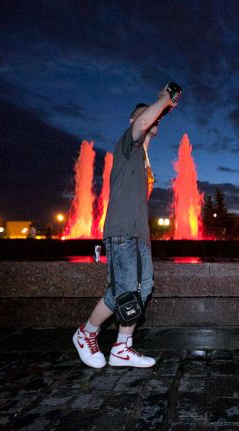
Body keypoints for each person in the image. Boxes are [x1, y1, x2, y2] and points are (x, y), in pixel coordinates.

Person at [73, 85, 176, 369]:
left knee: (141, 289)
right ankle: (86, 334)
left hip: (139, 234)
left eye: (154, 118)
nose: (151, 120)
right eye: (145, 116)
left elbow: (149, 123)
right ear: (133, 121)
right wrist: (164, 99)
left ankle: (122, 348)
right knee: (126, 288)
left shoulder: (143, 159)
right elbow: (143, 123)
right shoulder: (127, 145)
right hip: (122, 230)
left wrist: (162, 111)